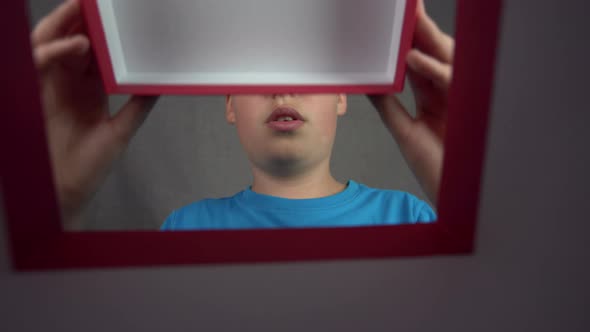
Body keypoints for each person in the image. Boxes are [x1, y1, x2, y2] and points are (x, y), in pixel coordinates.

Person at [33, 0, 453, 230]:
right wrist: (59, 201)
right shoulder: (188, 227)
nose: (282, 88)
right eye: (258, 67)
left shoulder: (410, 218)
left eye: (305, 69)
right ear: (229, 105)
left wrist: (461, 178)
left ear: (343, 97)